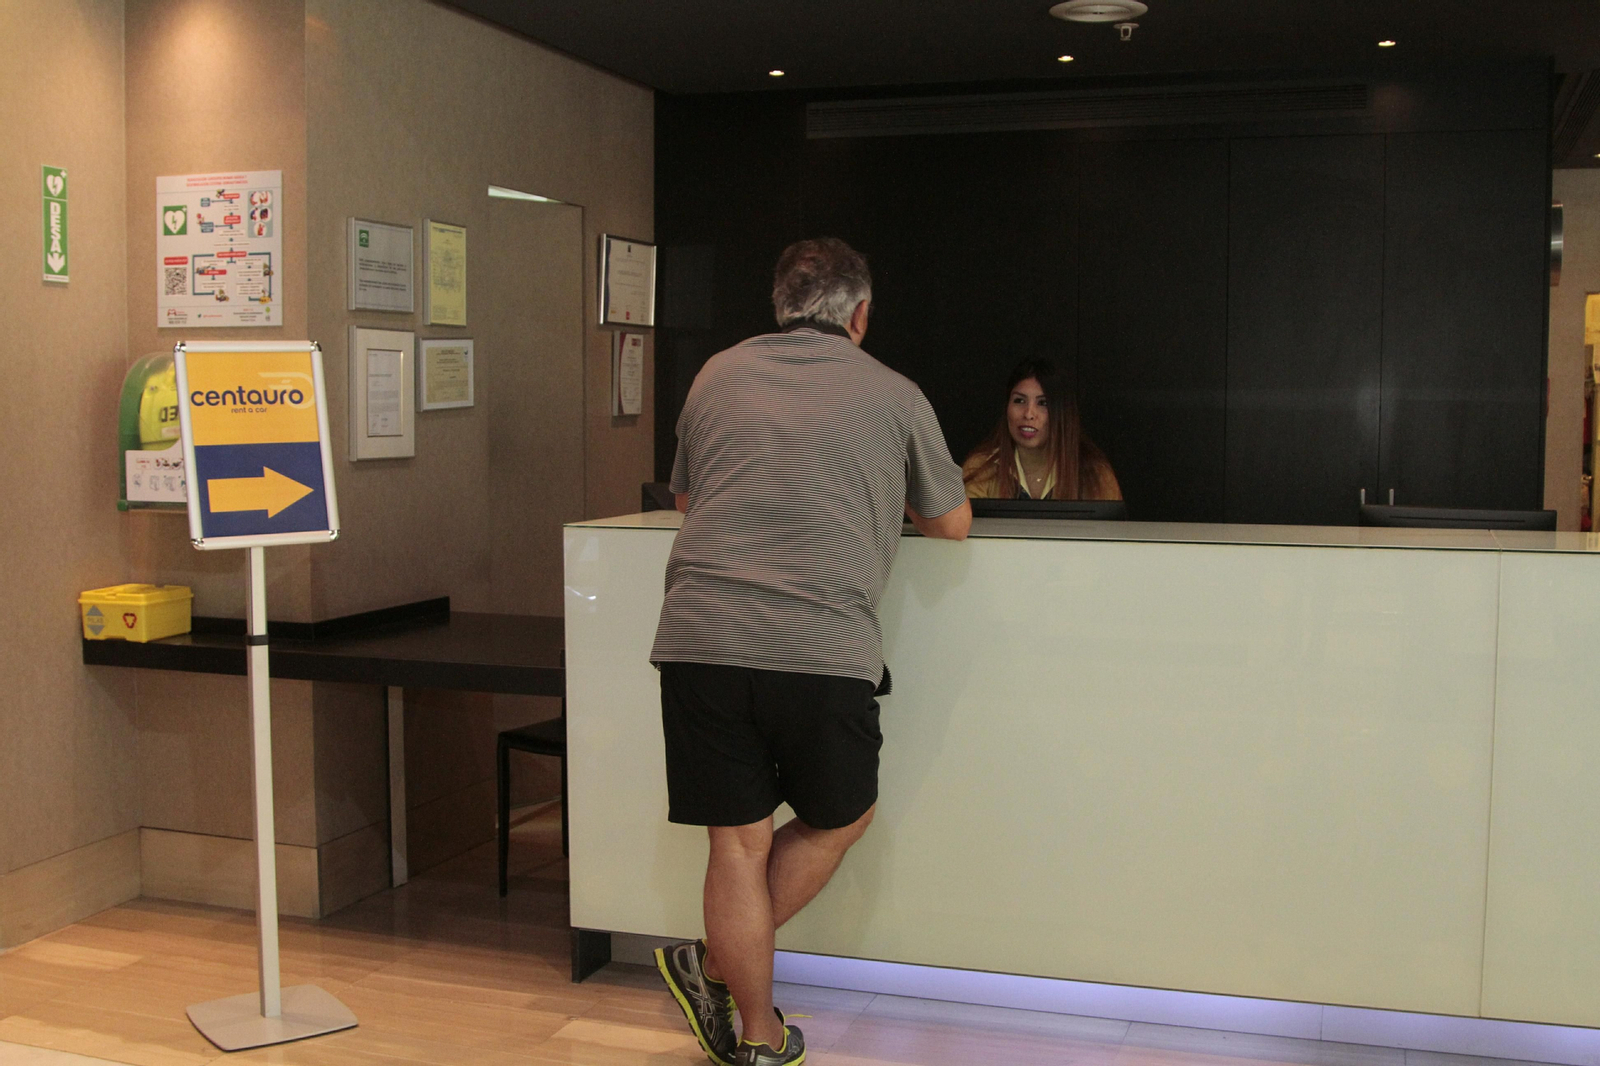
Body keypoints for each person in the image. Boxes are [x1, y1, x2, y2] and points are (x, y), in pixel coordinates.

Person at [651, 238, 971, 1066]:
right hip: (821, 645)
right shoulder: (895, 394)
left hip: (701, 637)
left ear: (781, 305)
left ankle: (749, 1021)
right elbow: (951, 523)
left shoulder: (716, 374)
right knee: (841, 816)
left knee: (737, 843)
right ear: (860, 314)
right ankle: (731, 991)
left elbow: (687, 498)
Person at [961, 358, 1121, 501]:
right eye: (1019, 400)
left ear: (1062, 414)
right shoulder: (980, 468)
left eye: (1043, 403)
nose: (1029, 414)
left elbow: (1111, 531)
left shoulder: (1094, 473)